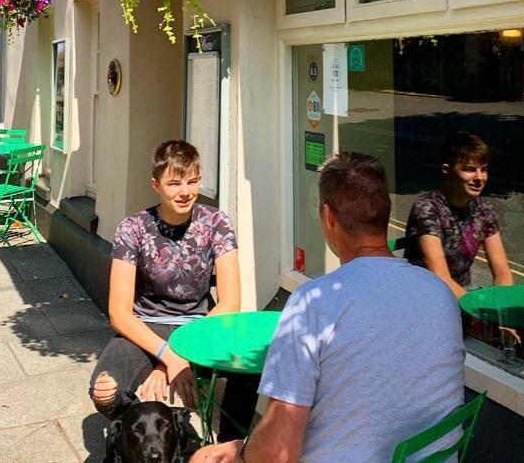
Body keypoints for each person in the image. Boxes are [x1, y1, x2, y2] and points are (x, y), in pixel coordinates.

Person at [192, 152, 465, 462]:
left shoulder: (313, 302)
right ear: (385, 214)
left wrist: (241, 454)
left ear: (328, 216)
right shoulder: (438, 292)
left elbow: (279, 451)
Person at [89, 139, 258, 440]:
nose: (185, 192)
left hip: (200, 326)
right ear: (155, 184)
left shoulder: (216, 223)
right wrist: (167, 357)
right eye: (174, 183)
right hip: (145, 326)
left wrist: (179, 357)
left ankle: (230, 450)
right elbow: (119, 313)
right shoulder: (133, 228)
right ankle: (144, 442)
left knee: (248, 371)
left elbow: (231, 301)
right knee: (106, 393)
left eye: (192, 182)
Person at [404, 131, 514, 298]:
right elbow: (440, 278)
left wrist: (503, 309)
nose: (479, 178)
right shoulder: (428, 208)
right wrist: (476, 313)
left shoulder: (484, 210)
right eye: (469, 170)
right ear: (447, 170)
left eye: (483, 170)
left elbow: (502, 272)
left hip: (463, 292)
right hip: (424, 296)